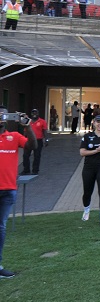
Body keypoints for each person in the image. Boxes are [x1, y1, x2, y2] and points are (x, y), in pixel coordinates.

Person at [0, 107, 36, 278]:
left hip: (7, 190)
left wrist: (27, 126)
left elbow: (32, 145)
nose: (1, 117)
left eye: (3, 115)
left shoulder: (13, 136)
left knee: (1, 228)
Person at [22, 109, 48, 175]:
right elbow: (25, 131)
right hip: (28, 140)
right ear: (31, 114)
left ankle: (35, 170)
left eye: (36, 112)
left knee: (37, 156)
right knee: (25, 156)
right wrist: (23, 139)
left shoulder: (42, 121)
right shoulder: (28, 121)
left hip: (38, 140)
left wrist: (46, 140)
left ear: (38, 113)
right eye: (33, 112)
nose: (34, 114)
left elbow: (44, 131)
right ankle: (26, 170)